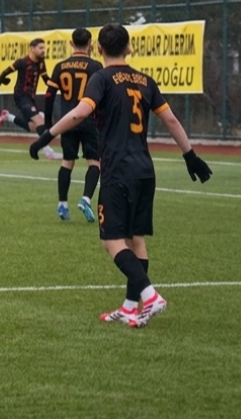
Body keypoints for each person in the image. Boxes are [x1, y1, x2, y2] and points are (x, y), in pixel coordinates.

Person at [31, 23, 212, 328]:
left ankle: (150, 295)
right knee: (135, 239)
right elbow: (169, 118)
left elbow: (79, 113)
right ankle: (130, 307)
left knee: (112, 241)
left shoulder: (101, 79)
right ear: (129, 48)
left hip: (117, 171)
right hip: (144, 170)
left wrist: (45, 135)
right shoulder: (145, 80)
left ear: (99, 49)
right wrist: (190, 155)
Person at [43, 28, 103, 222]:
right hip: (89, 120)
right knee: (94, 162)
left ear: (71, 43)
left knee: (67, 162)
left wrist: (48, 123)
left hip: (68, 120)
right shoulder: (96, 66)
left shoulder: (60, 66)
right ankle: (86, 199)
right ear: (90, 44)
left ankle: (62, 204)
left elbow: (49, 96)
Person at [0, 37, 62, 162]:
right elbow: (4, 73)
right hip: (21, 97)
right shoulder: (22, 62)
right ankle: (48, 152)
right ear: (32, 49)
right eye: (40, 48)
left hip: (30, 98)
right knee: (41, 123)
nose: (43, 50)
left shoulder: (41, 63)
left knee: (33, 127)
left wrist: (61, 86)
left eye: (44, 48)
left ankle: (8, 116)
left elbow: (46, 79)